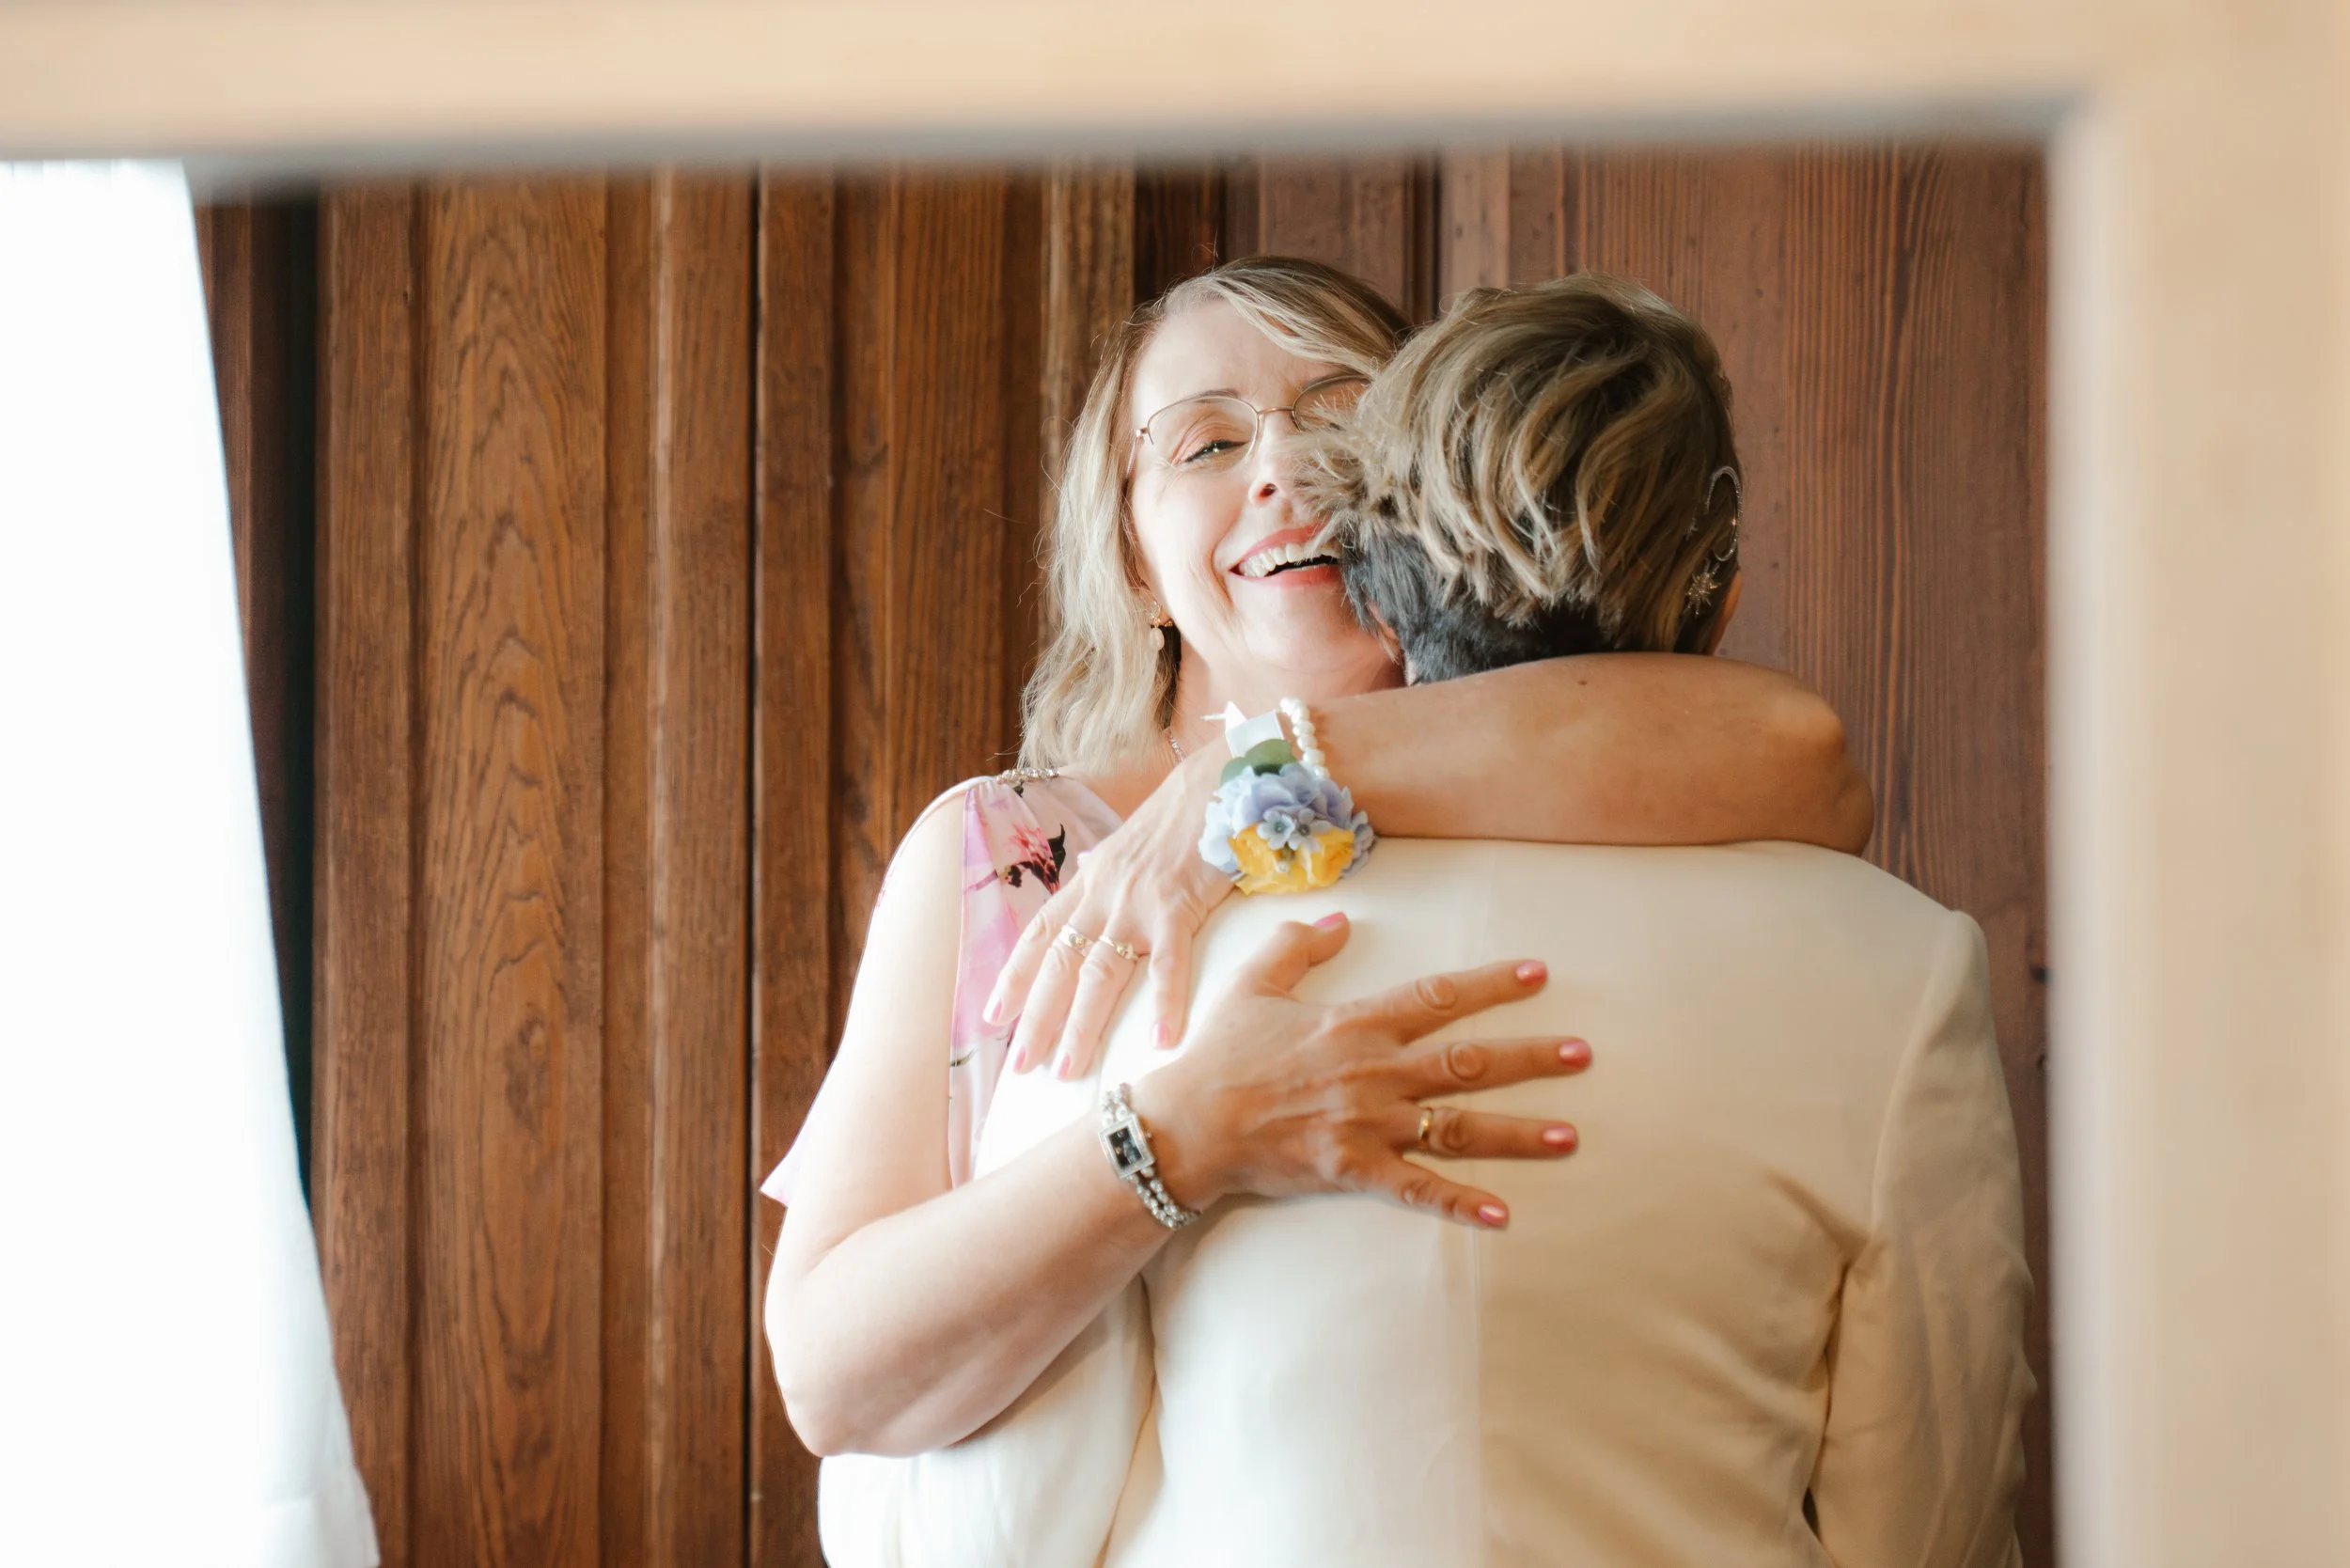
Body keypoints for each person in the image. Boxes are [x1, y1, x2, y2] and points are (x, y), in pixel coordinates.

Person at [760, 258, 1874, 1560]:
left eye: (1343, 412)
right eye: (1210, 443)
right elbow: (831, 1375)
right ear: (1129, 546)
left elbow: (1805, 755)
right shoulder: (1000, 854)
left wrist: (1260, 773)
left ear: (1429, 487)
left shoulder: (1559, 775)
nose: (1284, 472)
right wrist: (1178, 1137)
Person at [998, 272, 2030, 1566]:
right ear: (1721, 591)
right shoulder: (1901, 967)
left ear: (1369, 577)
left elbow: (1004, 1514)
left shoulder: (1138, 942)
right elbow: (1929, 1520)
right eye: (1208, 443)